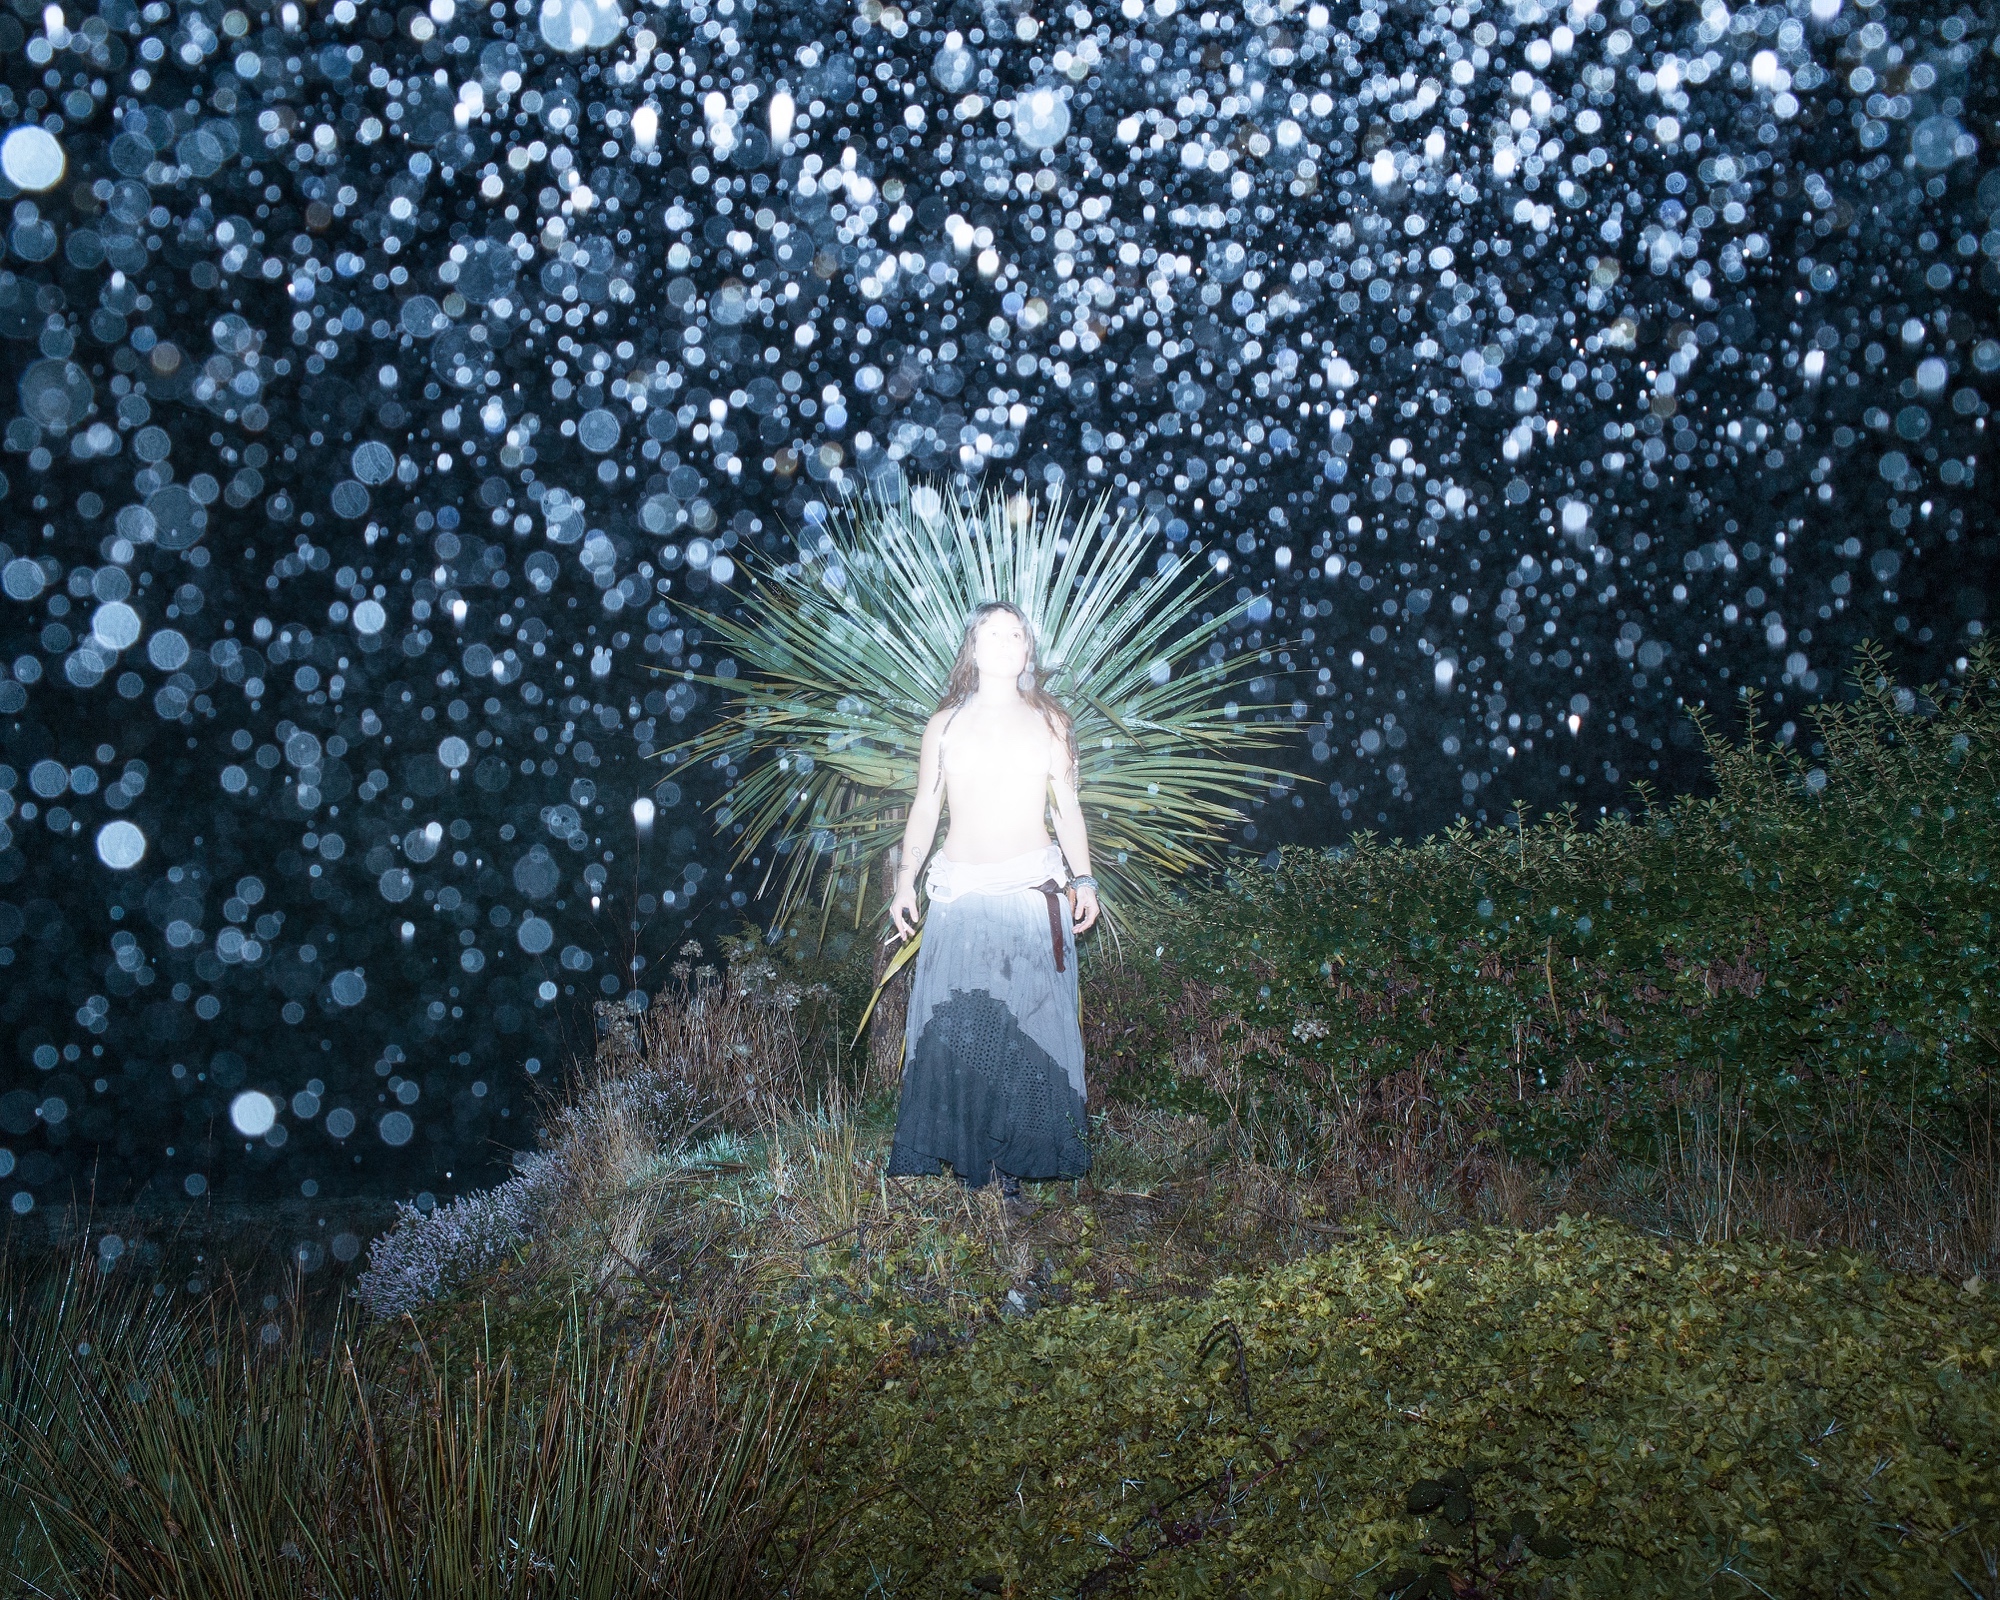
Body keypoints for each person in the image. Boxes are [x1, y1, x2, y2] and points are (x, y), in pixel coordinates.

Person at [883, 601, 1100, 1202]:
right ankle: (975, 1161)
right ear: (972, 650)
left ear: (1027, 650)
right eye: (992, 634)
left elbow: (1068, 809)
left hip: (1032, 895)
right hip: (962, 897)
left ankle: (1012, 1170)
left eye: (1016, 635)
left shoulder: (1051, 723)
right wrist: (905, 881)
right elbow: (925, 807)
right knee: (964, 1027)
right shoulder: (945, 726)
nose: (1006, 643)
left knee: (1026, 1030)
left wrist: (1085, 881)